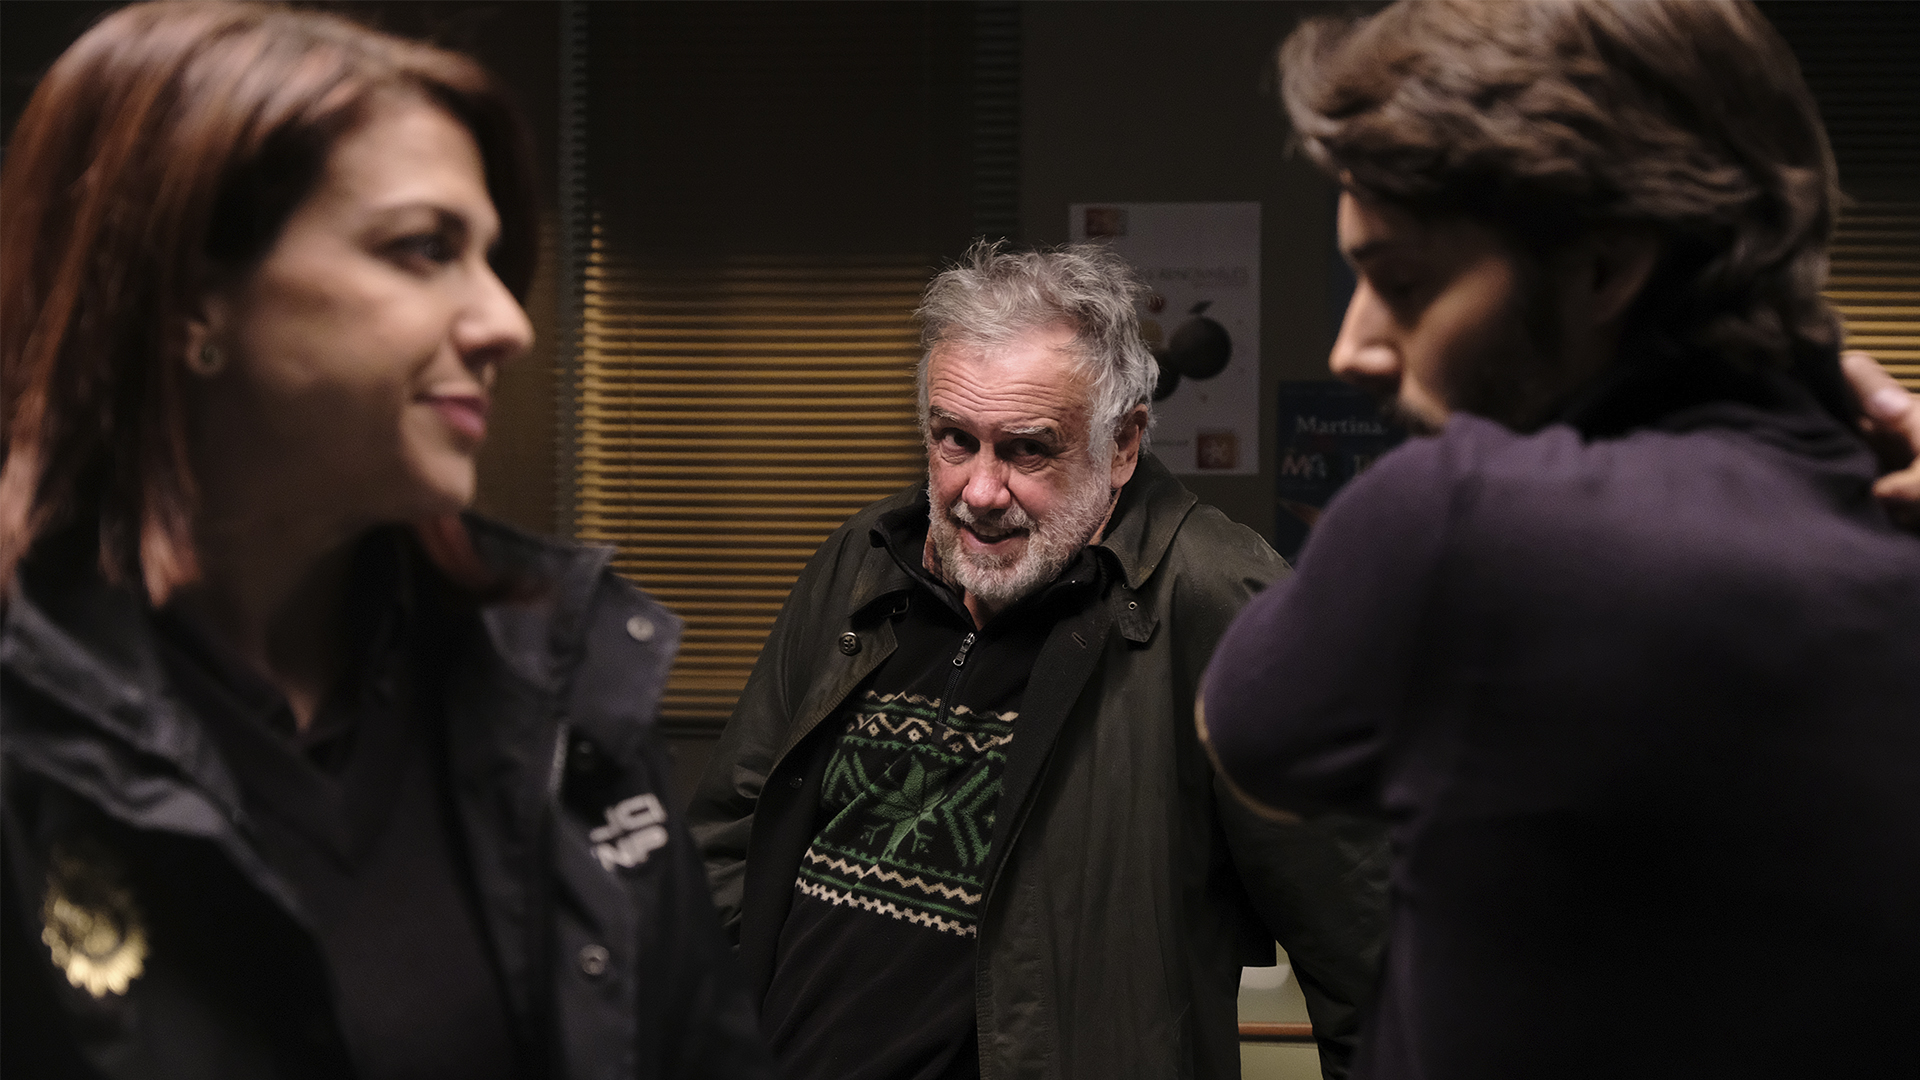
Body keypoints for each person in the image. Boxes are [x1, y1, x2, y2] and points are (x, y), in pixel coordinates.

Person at [0, 5, 770, 1078]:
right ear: (186, 297)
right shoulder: (30, 713)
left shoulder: (550, 676)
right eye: (423, 249)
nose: (506, 322)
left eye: (489, 256)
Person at [1199, 2, 1920, 1077]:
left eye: (1402, 283)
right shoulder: (1889, 541)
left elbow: (1246, 739)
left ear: (1602, 269)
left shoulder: (1463, 521)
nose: (1354, 348)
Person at [688, 241, 1387, 1080]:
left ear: (1123, 444)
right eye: (955, 440)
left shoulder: (1224, 603)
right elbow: (732, 838)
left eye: (1027, 450)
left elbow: (1374, 965)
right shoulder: (863, 560)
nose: (980, 492)